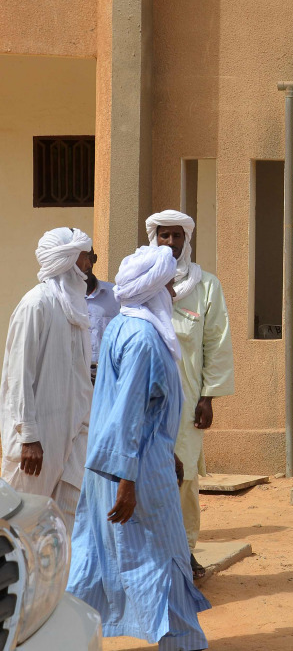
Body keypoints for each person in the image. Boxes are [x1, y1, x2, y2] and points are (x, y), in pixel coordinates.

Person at [68, 245, 211, 651]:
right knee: (160, 556)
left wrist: (172, 452)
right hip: (133, 469)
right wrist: (128, 480)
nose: (173, 285)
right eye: (168, 280)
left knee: (96, 556)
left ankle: (66, 635)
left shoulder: (119, 326)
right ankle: (182, 643)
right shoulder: (145, 339)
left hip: (119, 462)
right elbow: (129, 412)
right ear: (154, 286)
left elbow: (144, 409)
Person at [147, 210, 235, 580]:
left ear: (187, 240)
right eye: (163, 236)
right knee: (146, 473)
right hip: (147, 399)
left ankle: (184, 551)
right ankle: (152, 552)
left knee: (183, 478)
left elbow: (216, 343)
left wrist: (208, 398)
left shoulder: (206, 285)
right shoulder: (143, 283)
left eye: (176, 237)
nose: (170, 243)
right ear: (154, 239)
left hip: (186, 401)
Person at [1, 227, 94, 532]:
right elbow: (18, 376)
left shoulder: (77, 309)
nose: (88, 264)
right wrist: (29, 436)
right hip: (38, 441)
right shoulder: (36, 304)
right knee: (17, 521)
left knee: (66, 520)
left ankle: (57, 581)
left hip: (74, 432)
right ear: (67, 259)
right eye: (84, 257)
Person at [84, 248, 120, 383]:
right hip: (75, 379)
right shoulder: (63, 298)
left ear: (95, 259)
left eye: (88, 257)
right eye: (79, 258)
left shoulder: (115, 294)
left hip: (108, 378)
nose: (85, 263)